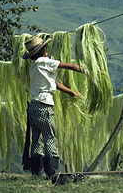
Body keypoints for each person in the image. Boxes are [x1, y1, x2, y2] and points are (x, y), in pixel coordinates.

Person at [23, 35, 84, 180]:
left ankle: (36, 172)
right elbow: (69, 66)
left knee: (36, 139)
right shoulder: (45, 61)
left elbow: (53, 83)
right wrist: (86, 70)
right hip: (44, 106)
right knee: (49, 137)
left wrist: (70, 92)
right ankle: (53, 173)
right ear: (44, 51)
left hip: (33, 106)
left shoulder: (34, 67)